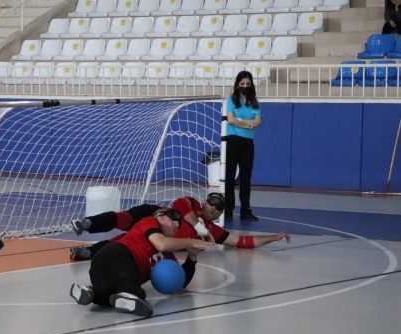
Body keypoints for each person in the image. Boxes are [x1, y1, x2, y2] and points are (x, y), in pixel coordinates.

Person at [70, 208, 213, 317]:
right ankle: (128, 295)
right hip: (115, 254)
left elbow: (180, 281)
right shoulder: (149, 222)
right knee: (131, 288)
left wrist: (192, 256)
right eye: (173, 220)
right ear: (160, 216)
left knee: (109, 293)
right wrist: (191, 242)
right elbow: (161, 244)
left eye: (178, 225)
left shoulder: (168, 257)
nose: (176, 226)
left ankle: (90, 292)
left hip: (102, 271)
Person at [69, 192, 290, 261]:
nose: (213, 208)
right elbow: (184, 213)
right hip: (153, 214)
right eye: (211, 203)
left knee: (122, 243)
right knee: (124, 218)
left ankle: (87, 252)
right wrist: (201, 230)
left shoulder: (215, 230)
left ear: (221, 213)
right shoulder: (190, 203)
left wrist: (274, 237)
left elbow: (242, 241)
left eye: (218, 208)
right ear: (204, 201)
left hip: (162, 234)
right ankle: (88, 223)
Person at [225, 71, 262, 222]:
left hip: (248, 143)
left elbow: (258, 121)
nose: (245, 86)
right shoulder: (232, 99)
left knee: (246, 178)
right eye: (242, 84)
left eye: (247, 84)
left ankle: (245, 210)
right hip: (233, 140)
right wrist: (248, 124)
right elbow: (231, 120)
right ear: (237, 84)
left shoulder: (254, 101)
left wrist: (243, 121)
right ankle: (228, 210)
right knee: (230, 177)